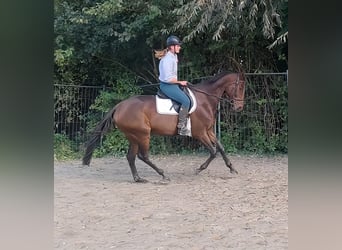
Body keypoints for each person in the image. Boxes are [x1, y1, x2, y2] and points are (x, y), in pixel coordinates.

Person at [159, 35, 191, 136]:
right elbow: (168, 79)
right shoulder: (167, 60)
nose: (179, 47)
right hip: (167, 85)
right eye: (178, 46)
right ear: (172, 47)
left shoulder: (173, 56)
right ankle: (181, 127)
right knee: (186, 101)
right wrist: (180, 82)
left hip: (172, 84)